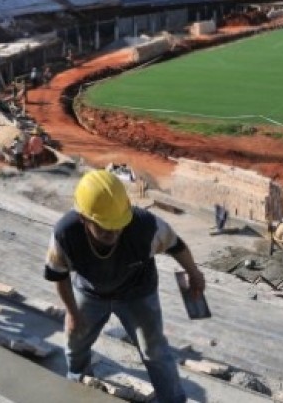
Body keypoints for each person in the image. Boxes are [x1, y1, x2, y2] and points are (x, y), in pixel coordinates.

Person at [45, 170, 204, 402]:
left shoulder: (145, 227)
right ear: (83, 218)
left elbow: (176, 246)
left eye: (118, 226)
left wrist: (194, 272)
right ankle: (79, 383)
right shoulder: (65, 234)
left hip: (137, 293)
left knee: (154, 351)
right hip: (90, 292)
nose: (112, 233)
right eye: (102, 227)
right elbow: (58, 275)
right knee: (75, 341)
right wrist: (72, 312)